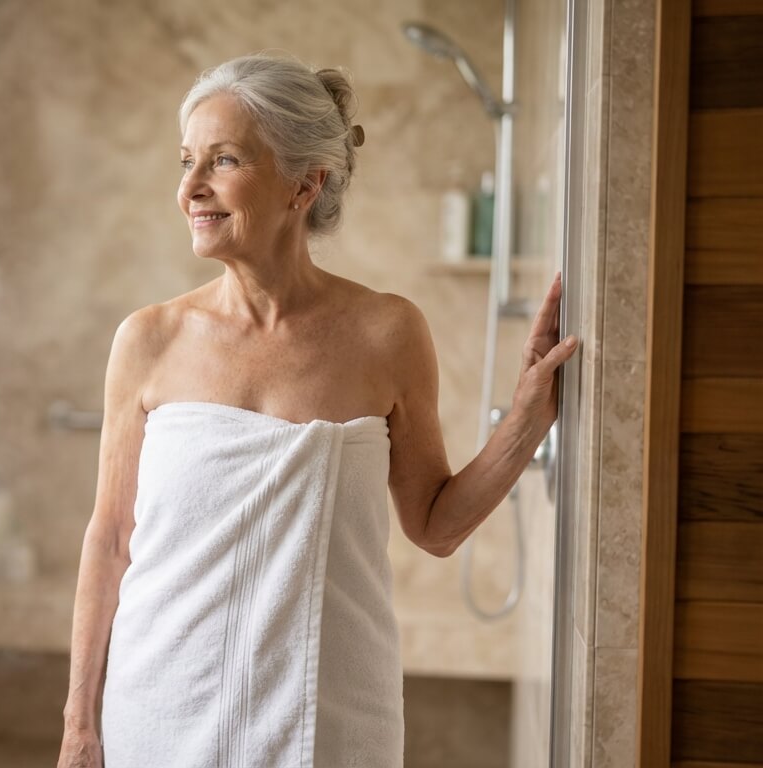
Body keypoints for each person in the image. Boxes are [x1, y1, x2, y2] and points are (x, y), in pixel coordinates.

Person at [56, 53, 577, 768]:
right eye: (186, 162)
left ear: (306, 183)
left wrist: (525, 421)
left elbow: (435, 526)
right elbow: (109, 542)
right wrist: (79, 724)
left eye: (224, 160)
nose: (191, 189)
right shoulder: (149, 340)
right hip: (159, 711)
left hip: (326, 721)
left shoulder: (386, 333)